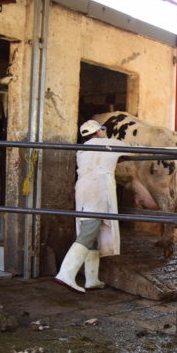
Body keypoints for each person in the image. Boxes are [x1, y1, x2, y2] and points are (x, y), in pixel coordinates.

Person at [54, 119, 130, 293]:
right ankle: (65, 273)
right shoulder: (109, 143)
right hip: (98, 192)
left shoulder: (81, 149)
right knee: (89, 231)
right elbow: (132, 150)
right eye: (101, 130)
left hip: (83, 191)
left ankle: (92, 279)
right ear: (98, 132)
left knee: (92, 233)